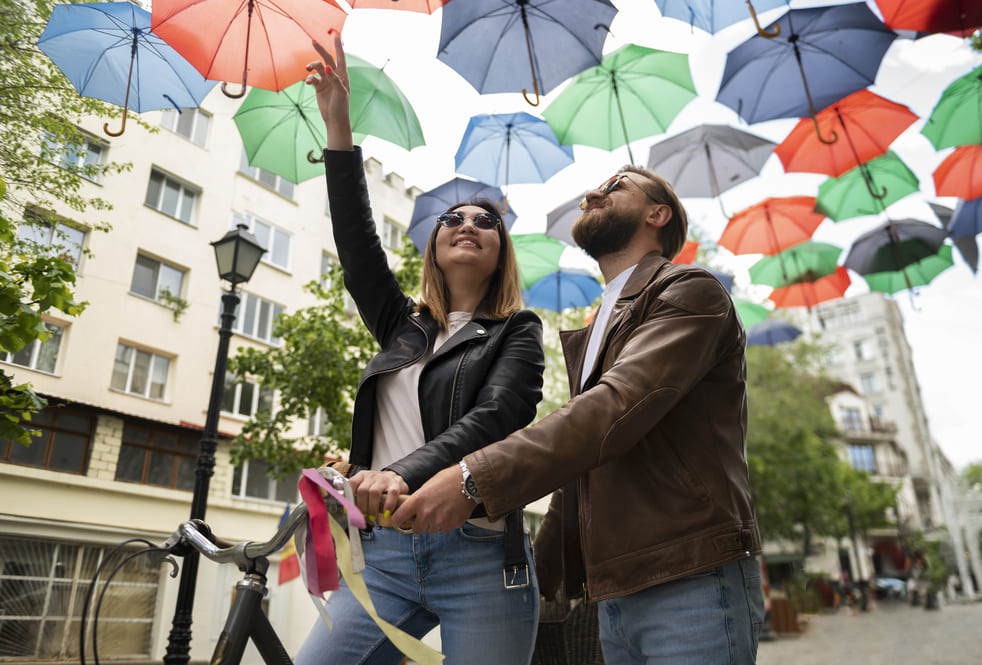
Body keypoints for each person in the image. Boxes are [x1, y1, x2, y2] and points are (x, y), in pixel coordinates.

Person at [395, 160, 766, 662]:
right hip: (614, 591)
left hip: (691, 578)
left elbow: (612, 411)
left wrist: (470, 478)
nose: (594, 192)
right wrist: (538, 579)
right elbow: (581, 474)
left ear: (658, 214)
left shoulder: (689, 291)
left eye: (616, 186)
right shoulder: (599, 326)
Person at [295, 37, 545, 665]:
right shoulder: (402, 325)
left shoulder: (517, 330)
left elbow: (497, 416)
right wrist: (339, 128)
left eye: (486, 221)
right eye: (452, 219)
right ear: (433, 247)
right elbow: (355, 245)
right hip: (385, 554)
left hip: (481, 554)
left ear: (501, 252)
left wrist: (399, 470)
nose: (467, 224)